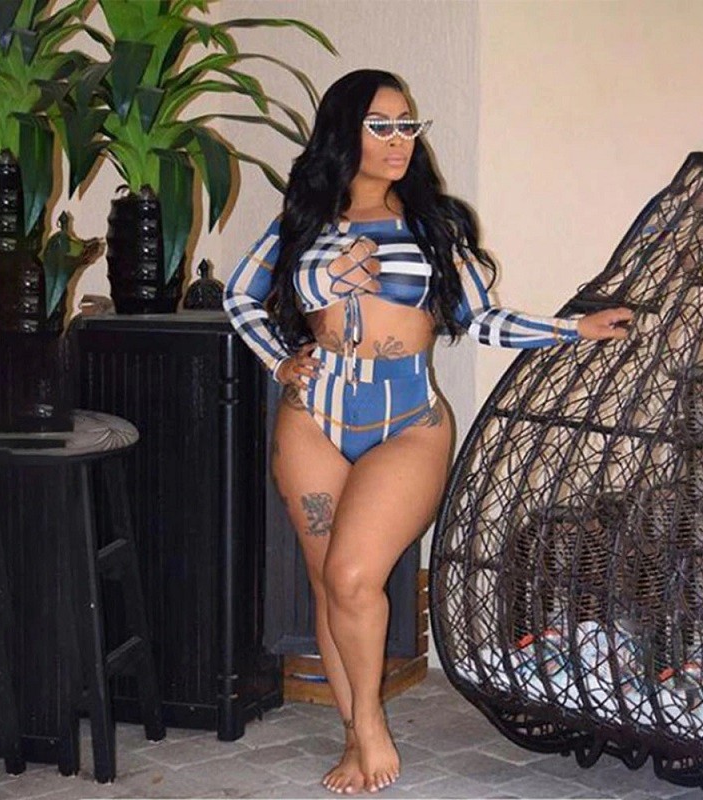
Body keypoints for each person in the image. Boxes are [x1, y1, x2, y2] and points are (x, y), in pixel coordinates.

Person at [223, 69, 631, 795]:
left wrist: (573, 330)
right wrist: (279, 359)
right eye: (380, 125)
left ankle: (369, 724)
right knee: (328, 587)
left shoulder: (433, 225)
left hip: (407, 421)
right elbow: (239, 298)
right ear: (345, 133)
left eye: (407, 124)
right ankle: (357, 732)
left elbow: (483, 320)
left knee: (354, 577)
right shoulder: (301, 224)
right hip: (312, 418)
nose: (398, 139)